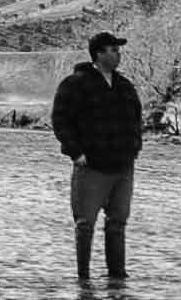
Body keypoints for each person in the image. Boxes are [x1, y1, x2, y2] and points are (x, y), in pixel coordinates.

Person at [50, 30, 142, 281]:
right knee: (85, 225)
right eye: (113, 50)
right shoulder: (75, 84)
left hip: (123, 166)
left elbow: (136, 120)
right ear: (99, 54)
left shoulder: (125, 86)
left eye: (118, 50)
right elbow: (60, 120)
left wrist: (134, 149)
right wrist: (76, 153)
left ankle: (117, 277)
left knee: (118, 223)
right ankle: (84, 278)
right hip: (90, 165)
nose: (118, 54)